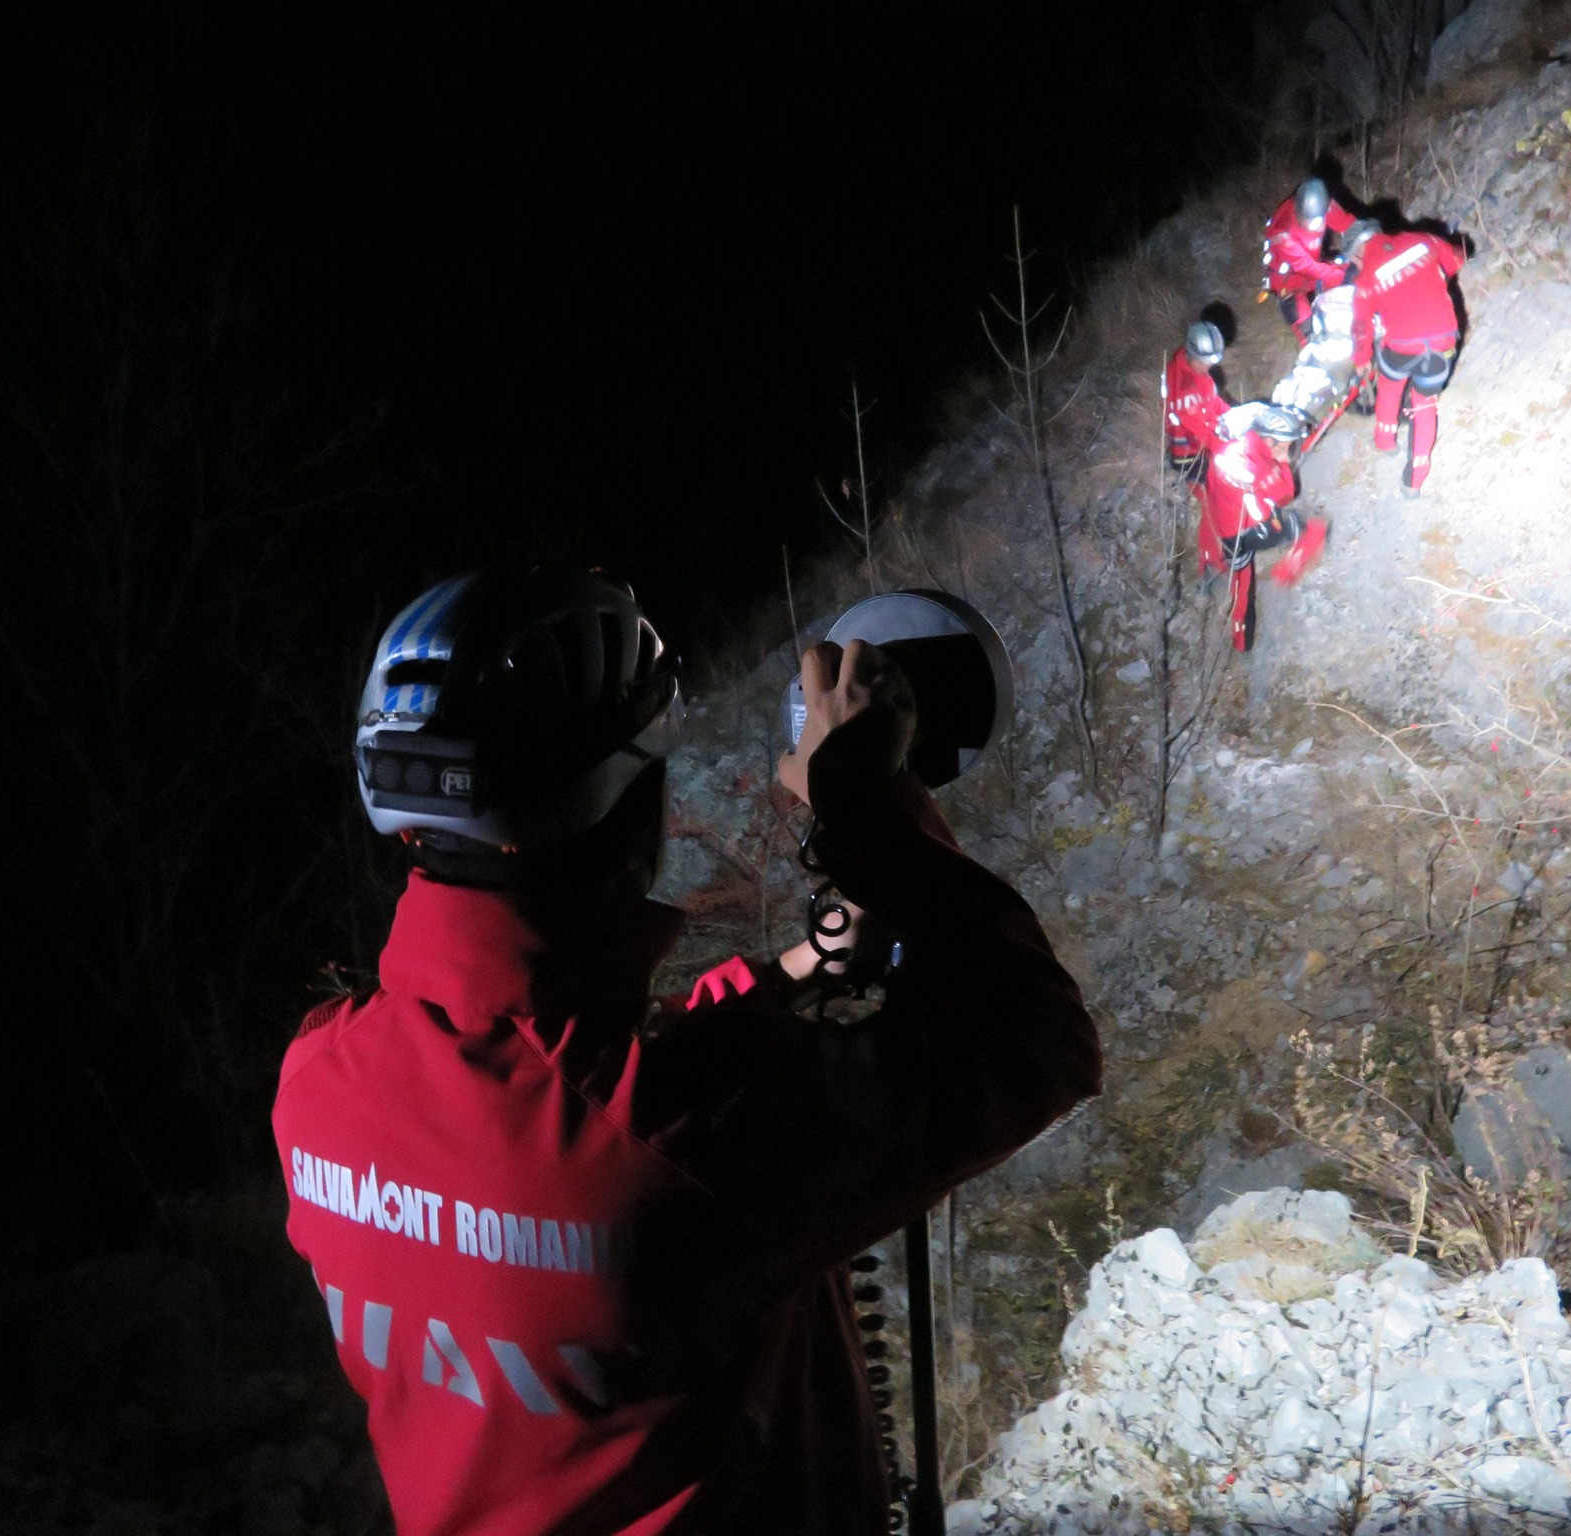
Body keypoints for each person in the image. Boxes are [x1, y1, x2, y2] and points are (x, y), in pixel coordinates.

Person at [271, 568, 1100, 1535]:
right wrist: (870, 808)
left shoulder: (319, 1083)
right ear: (630, 808)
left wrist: (796, 969)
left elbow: (557, 1087)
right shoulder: (688, 1141)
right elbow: (1038, 1039)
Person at [1341, 219, 1466, 496]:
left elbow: (1361, 327)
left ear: (1359, 252)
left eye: (1353, 261)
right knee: (1425, 405)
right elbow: (1456, 258)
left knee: (1390, 381)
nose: (1356, 266)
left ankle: (1385, 441)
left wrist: (1361, 360)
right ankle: (1415, 481)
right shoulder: (1423, 239)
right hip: (1443, 341)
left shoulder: (1365, 278)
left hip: (1403, 345)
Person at [1198, 405, 1328, 651]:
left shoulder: (1233, 447)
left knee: (1242, 585)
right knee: (1312, 528)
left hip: (1222, 528)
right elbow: (1285, 495)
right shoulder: (1255, 466)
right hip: (1249, 530)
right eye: (1287, 446)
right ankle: (1286, 573)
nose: (1288, 452)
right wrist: (1284, 468)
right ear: (1270, 441)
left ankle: (1240, 642)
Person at [1261, 177, 1355, 339]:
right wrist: (1343, 275)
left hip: (1313, 269)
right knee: (1303, 318)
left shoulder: (1322, 207)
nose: (1317, 226)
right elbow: (1309, 267)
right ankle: (1312, 345)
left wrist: (1369, 246)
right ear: (1299, 214)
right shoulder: (1284, 235)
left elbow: (1351, 226)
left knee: (1355, 272)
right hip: (1288, 279)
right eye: (1311, 222)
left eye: (1320, 220)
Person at [1161, 321, 1229, 481]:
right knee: (1223, 481)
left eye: (1210, 363)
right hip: (1189, 456)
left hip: (1203, 437)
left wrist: (1232, 414)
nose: (1207, 367)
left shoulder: (1188, 364)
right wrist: (1224, 446)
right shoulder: (1186, 391)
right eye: (1202, 363)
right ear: (1192, 354)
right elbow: (1199, 433)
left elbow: (1211, 400)